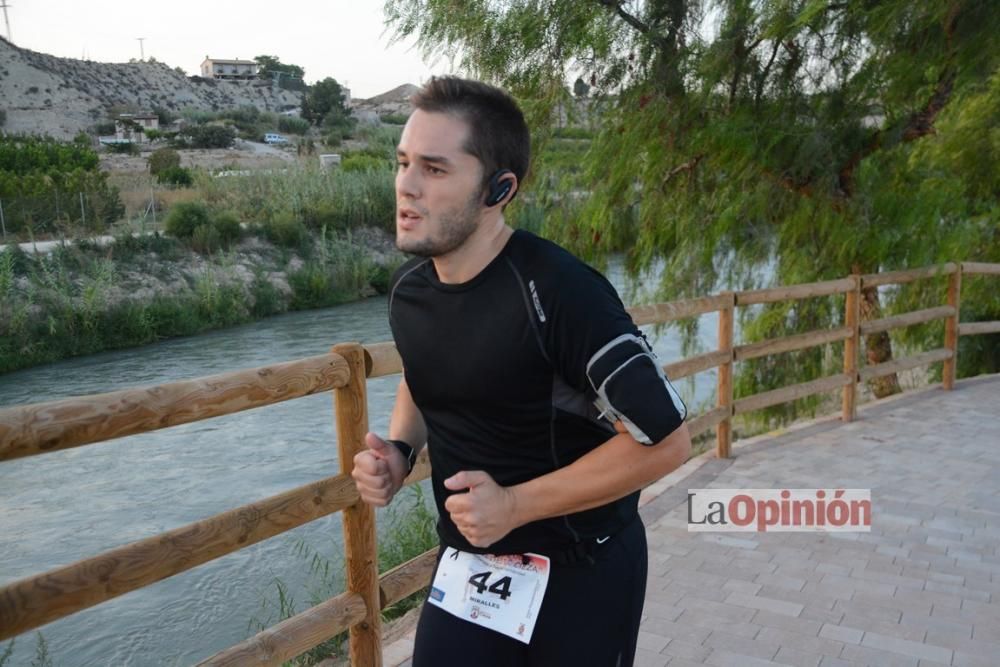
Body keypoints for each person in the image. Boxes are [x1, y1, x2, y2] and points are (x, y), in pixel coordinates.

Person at [351, 76, 692, 667]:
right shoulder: (410, 290)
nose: (405, 186)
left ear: (498, 189)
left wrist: (513, 505)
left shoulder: (561, 294)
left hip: (581, 569)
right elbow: (423, 369)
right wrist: (401, 450)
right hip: (469, 567)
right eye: (403, 162)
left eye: (435, 170)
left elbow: (664, 442)